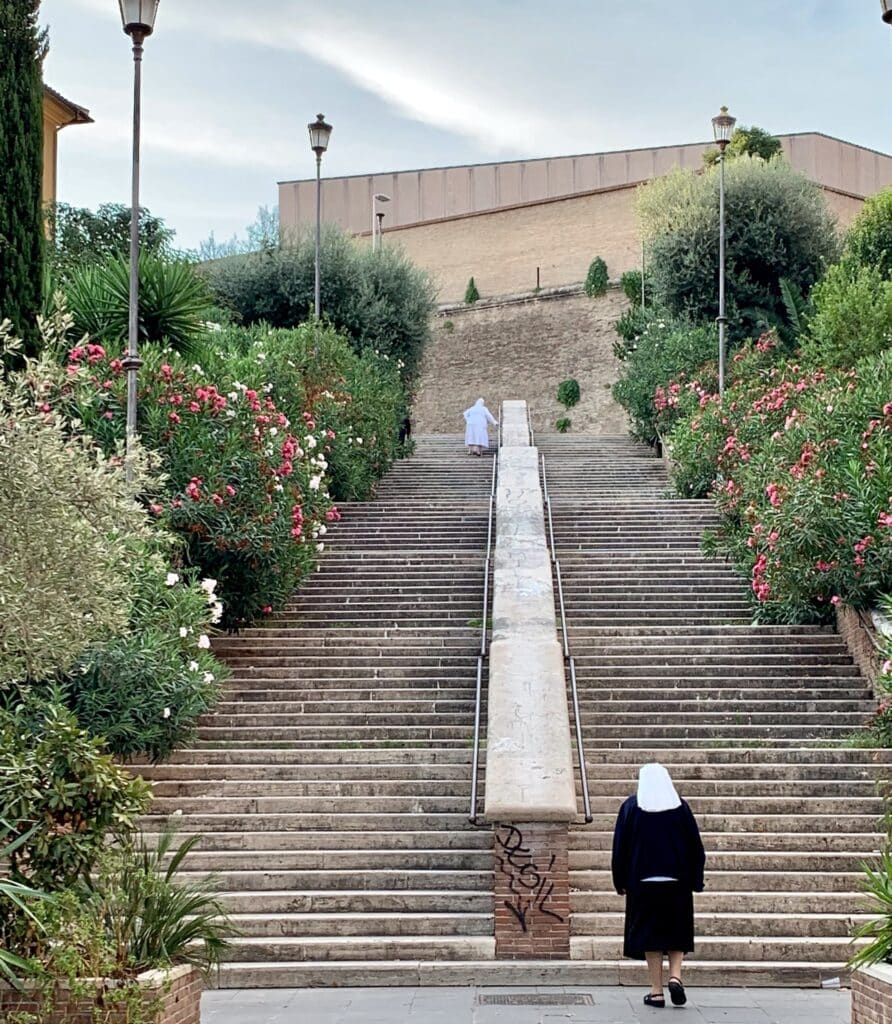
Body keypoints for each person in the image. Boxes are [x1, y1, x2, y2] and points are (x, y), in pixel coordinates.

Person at [611, 763, 706, 1009]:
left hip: (642, 883)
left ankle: (656, 992)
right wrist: (696, 879)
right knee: (677, 931)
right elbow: (696, 846)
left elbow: (620, 847)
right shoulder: (680, 808)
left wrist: (619, 880)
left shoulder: (631, 807)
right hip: (677, 882)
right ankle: (676, 976)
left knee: (649, 937)